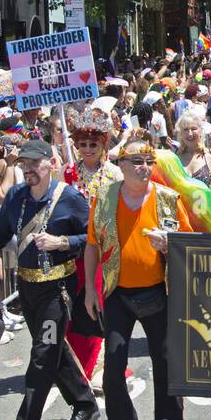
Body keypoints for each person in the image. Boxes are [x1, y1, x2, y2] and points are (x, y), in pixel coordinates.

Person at [0, 139, 98, 420]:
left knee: (41, 357)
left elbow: (94, 237)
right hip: (27, 288)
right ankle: (84, 403)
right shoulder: (15, 196)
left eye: (34, 164)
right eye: (23, 164)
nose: (28, 170)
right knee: (53, 351)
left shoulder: (68, 198)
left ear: (50, 165)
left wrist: (62, 241)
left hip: (59, 289)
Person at [84, 139, 192, 420]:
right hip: (118, 292)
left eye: (148, 160)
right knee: (114, 365)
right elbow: (92, 244)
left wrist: (170, 243)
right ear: (121, 164)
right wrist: (90, 288)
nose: (144, 166)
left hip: (160, 291)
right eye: (137, 160)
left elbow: (189, 242)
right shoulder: (104, 197)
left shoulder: (168, 199)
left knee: (165, 363)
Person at [62, 106, 122, 384]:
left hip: (104, 248)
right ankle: (73, 363)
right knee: (73, 305)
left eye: (93, 144)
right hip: (73, 249)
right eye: (83, 144)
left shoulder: (114, 174)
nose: (88, 149)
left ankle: (97, 365)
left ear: (103, 145)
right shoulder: (67, 174)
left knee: (97, 301)